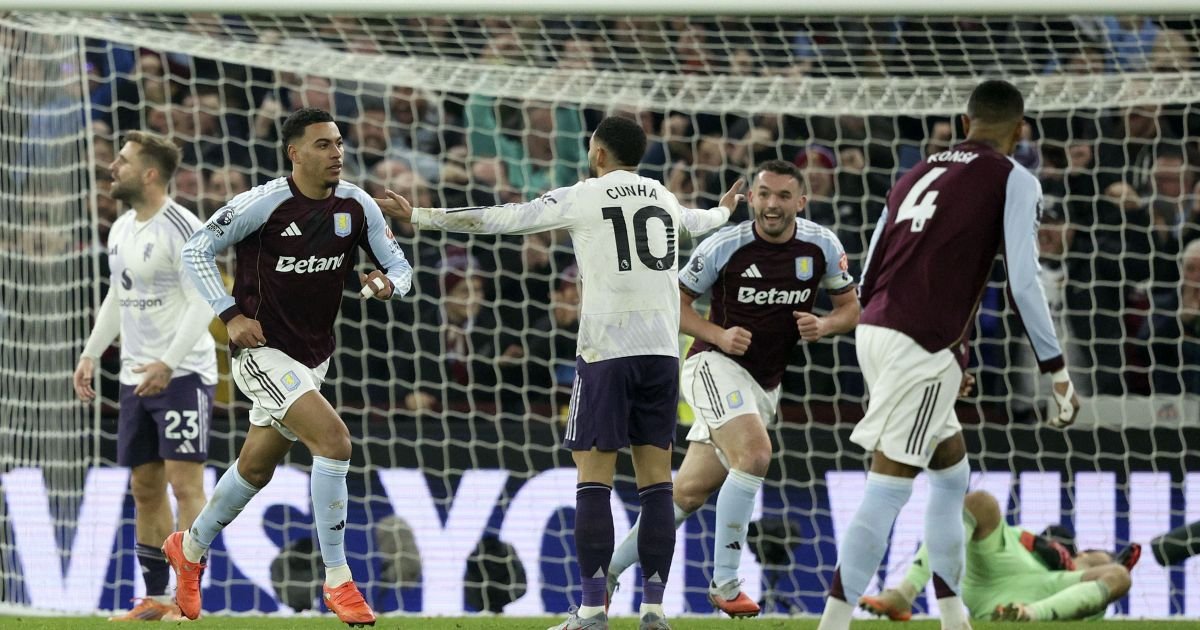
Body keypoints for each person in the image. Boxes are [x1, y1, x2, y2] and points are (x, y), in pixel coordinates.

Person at [376, 115, 741, 630]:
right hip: (662, 355)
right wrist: (725, 209)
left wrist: (421, 215)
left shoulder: (584, 195)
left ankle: (591, 610)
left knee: (593, 479)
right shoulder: (661, 196)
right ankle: (654, 610)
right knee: (657, 484)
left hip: (607, 352)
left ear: (598, 153)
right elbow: (701, 221)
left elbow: (504, 217)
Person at [818, 80, 1081, 630]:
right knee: (887, 487)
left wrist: (940, 357)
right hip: (920, 343)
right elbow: (1024, 282)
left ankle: (953, 616)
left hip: (878, 329)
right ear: (1021, 130)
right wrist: (1056, 371)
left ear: (964, 123)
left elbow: (870, 266)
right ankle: (833, 623)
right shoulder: (1014, 177)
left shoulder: (916, 171)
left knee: (951, 474)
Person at [169, 107, 412, 626]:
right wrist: (230, 315)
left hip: (313, 358)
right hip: (261, 352)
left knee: (255, 469)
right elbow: (196, 249)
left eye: (339, 143)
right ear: (294, 152)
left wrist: (389, 284)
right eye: (323, 144)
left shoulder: (357, 205)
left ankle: (188, 549)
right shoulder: (264, 203)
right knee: (335, 442)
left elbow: (400, 266)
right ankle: (338, 579)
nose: (337, 153)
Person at [605, 159, 861, 617]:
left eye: (783, 196)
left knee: (687, 494)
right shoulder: (725, 244)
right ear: (751, 199)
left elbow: (850, 308)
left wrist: (824, 325)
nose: (772, 204)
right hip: (712, 363)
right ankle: (724, 582)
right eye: (764, 194)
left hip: (764, 384)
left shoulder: (822, 245)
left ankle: (605, 572)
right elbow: (673, 304)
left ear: (801, 202)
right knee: (755, 455)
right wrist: (719, 335)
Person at [73, 131, 217, 622]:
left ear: (150, 173)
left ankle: (188, 599)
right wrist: (92, 352)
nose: (112, 167)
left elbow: (204, 302)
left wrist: (169, 363)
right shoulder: (120, 227)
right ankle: (156, 598)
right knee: (145, 487)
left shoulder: (184, 227)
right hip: (136, 375)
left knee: (185, 485)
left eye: (123, 160)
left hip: (184, 374)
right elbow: (119, 295)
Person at [860, 489, 1138, 622]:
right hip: (998, 571)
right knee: (981, 502)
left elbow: (1104, 576)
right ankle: (905, 593)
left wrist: (1101, 564)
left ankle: (1027, 615)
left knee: (1120, 575)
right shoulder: (1021, 537)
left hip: (1042, 596)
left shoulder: (1084, 592)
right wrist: (1042, 545)